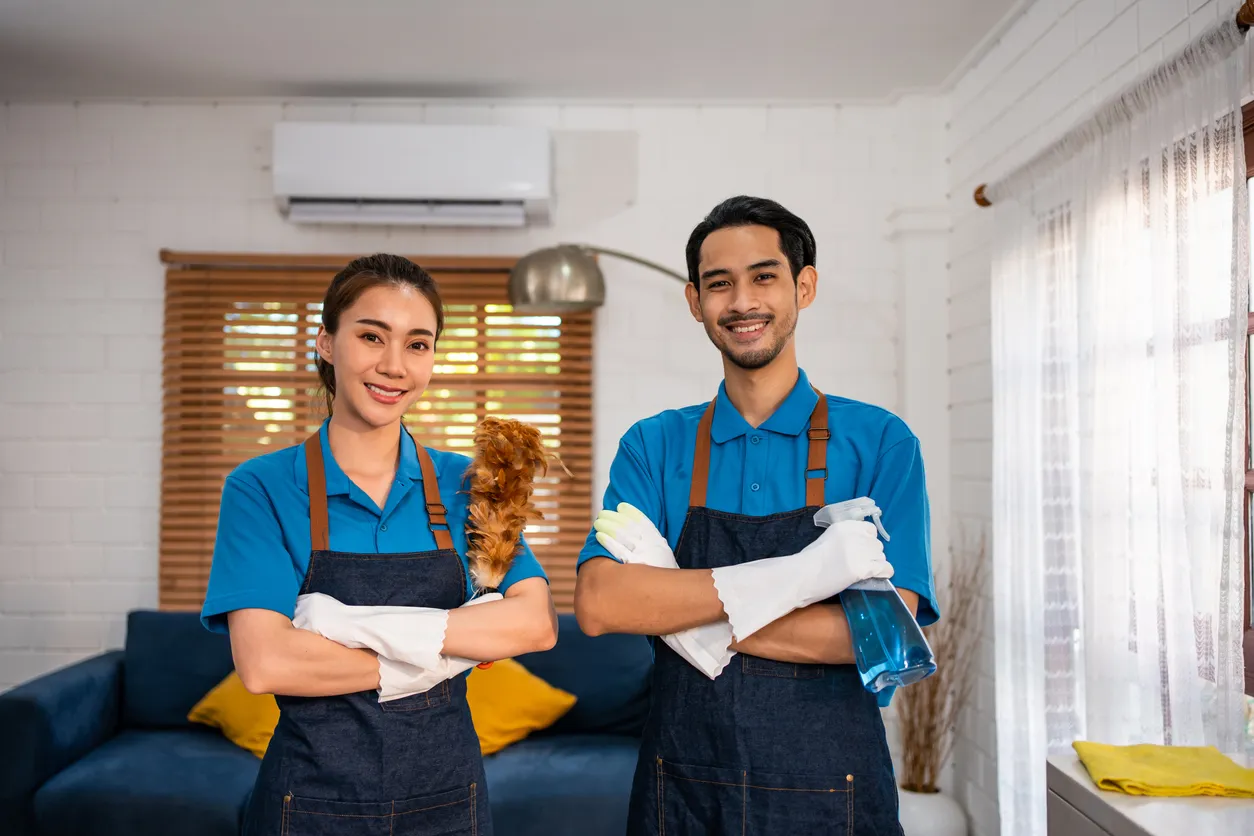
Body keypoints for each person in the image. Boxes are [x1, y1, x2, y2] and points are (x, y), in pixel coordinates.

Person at [575, 196, 938, 835]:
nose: (742, 301)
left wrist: (686, 621)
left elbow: (884, 636)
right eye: (720, 283)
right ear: (695, 301)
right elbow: (603, 605)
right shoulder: (654, 446)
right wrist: (798, 601)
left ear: (805, 286)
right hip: (682, 792)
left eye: (764, 277)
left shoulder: (881, 442)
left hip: (834, 795)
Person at [200, 253, 558, 836]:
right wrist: (449, 649)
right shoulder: (261, 488)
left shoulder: (471, 485)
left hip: (449, 803)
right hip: (308, 805)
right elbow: (266, 663)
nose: (394, 366)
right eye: (372, 336)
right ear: (325, 342)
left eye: (418, 344)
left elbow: (534, 625)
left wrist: (341, 632)